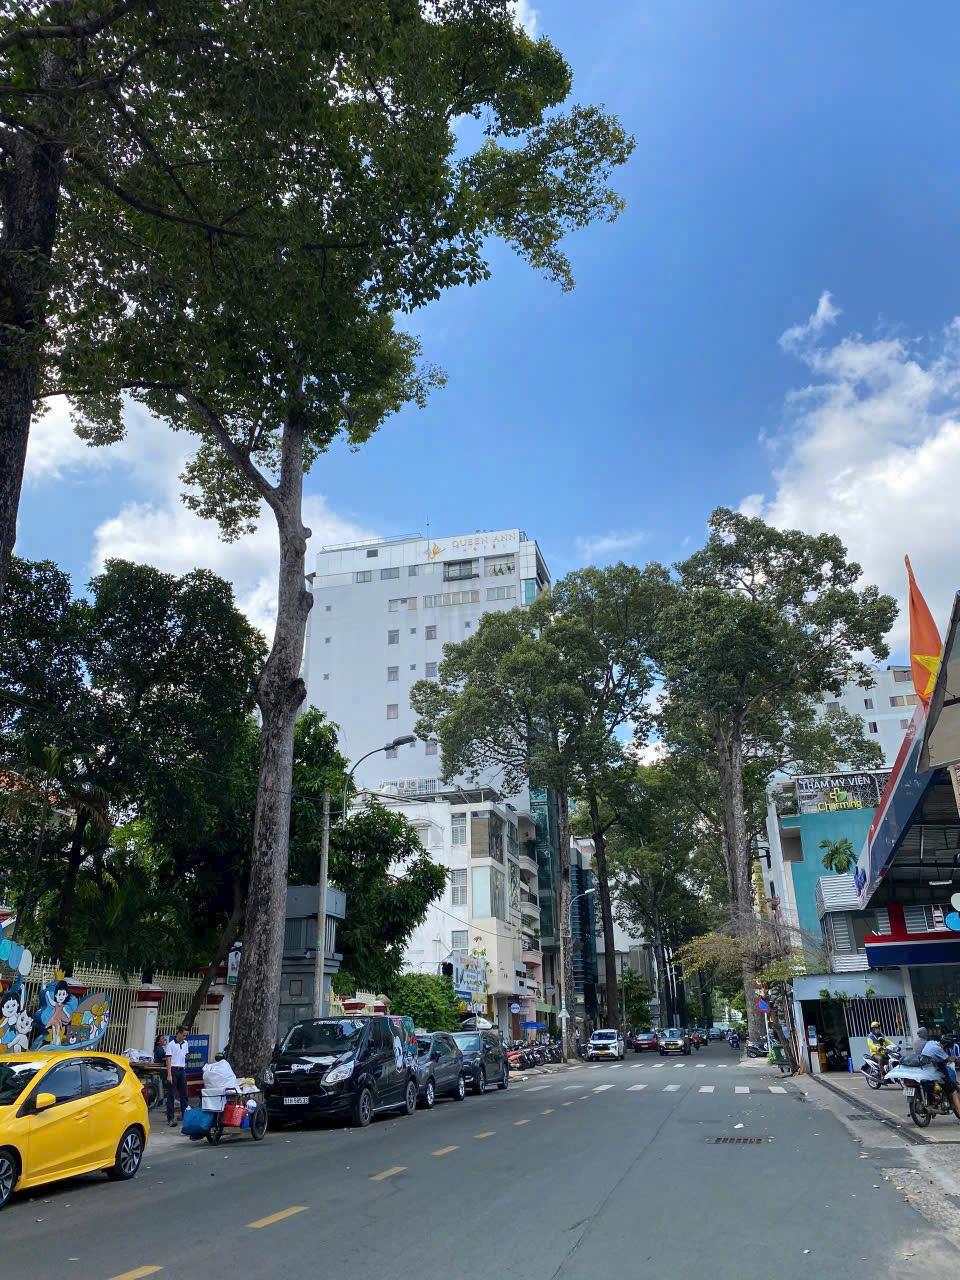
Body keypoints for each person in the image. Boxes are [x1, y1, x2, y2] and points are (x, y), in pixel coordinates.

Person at [920, 1032, 960, 1119]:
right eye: (948, 1047)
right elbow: (949, 1059)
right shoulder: (939, 1049)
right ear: (946, 1045)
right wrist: (955, 1059)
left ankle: (938, 1098)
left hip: (923, 1068)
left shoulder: (930, 1042)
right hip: (933, 1071)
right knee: (953, 1090)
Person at [164, 1025, 191, 1127]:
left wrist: (186, 1056)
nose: (185, 1037)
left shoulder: (185, 1043)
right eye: (183, 1035)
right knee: (171, 1095)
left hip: (182, 1070)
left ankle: (185, 1116)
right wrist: (169, 1074)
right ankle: (170, 1118)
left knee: (184, 1094)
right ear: (178, 1033)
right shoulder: (171, 1045)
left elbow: (185, 1054)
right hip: (173, 1070)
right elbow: (168, 1060)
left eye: (186, 1035)